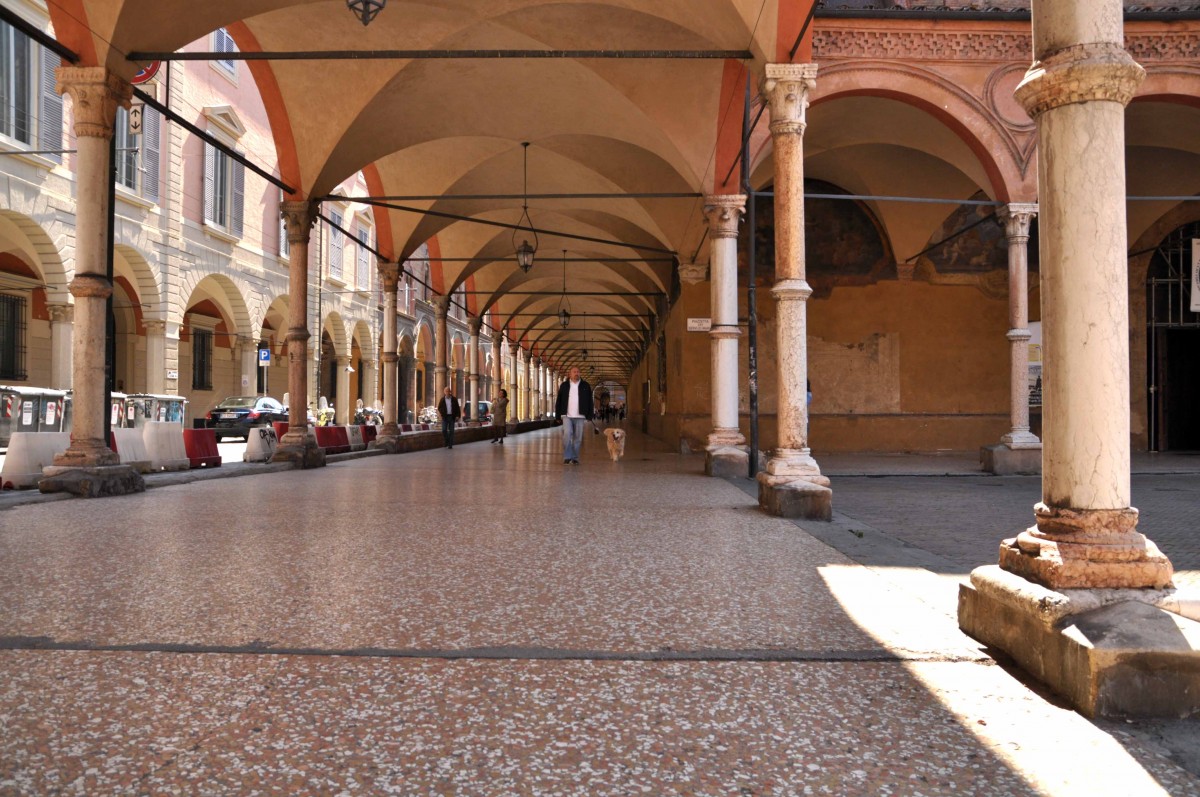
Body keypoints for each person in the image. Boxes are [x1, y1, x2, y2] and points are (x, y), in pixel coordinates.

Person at [554, 366, 593, 465]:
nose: (576, 373)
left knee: (578, 438)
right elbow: (559, 400)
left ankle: (575, 457)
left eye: (578, 372)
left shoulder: (585, 385)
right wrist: (557, 415)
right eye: (574, 372)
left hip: (580, 416)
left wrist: (590, 415)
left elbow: (590, 401)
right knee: (567, 434)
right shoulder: (564, 385)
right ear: (570, 374)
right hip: (567, 415)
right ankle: (567, 457)